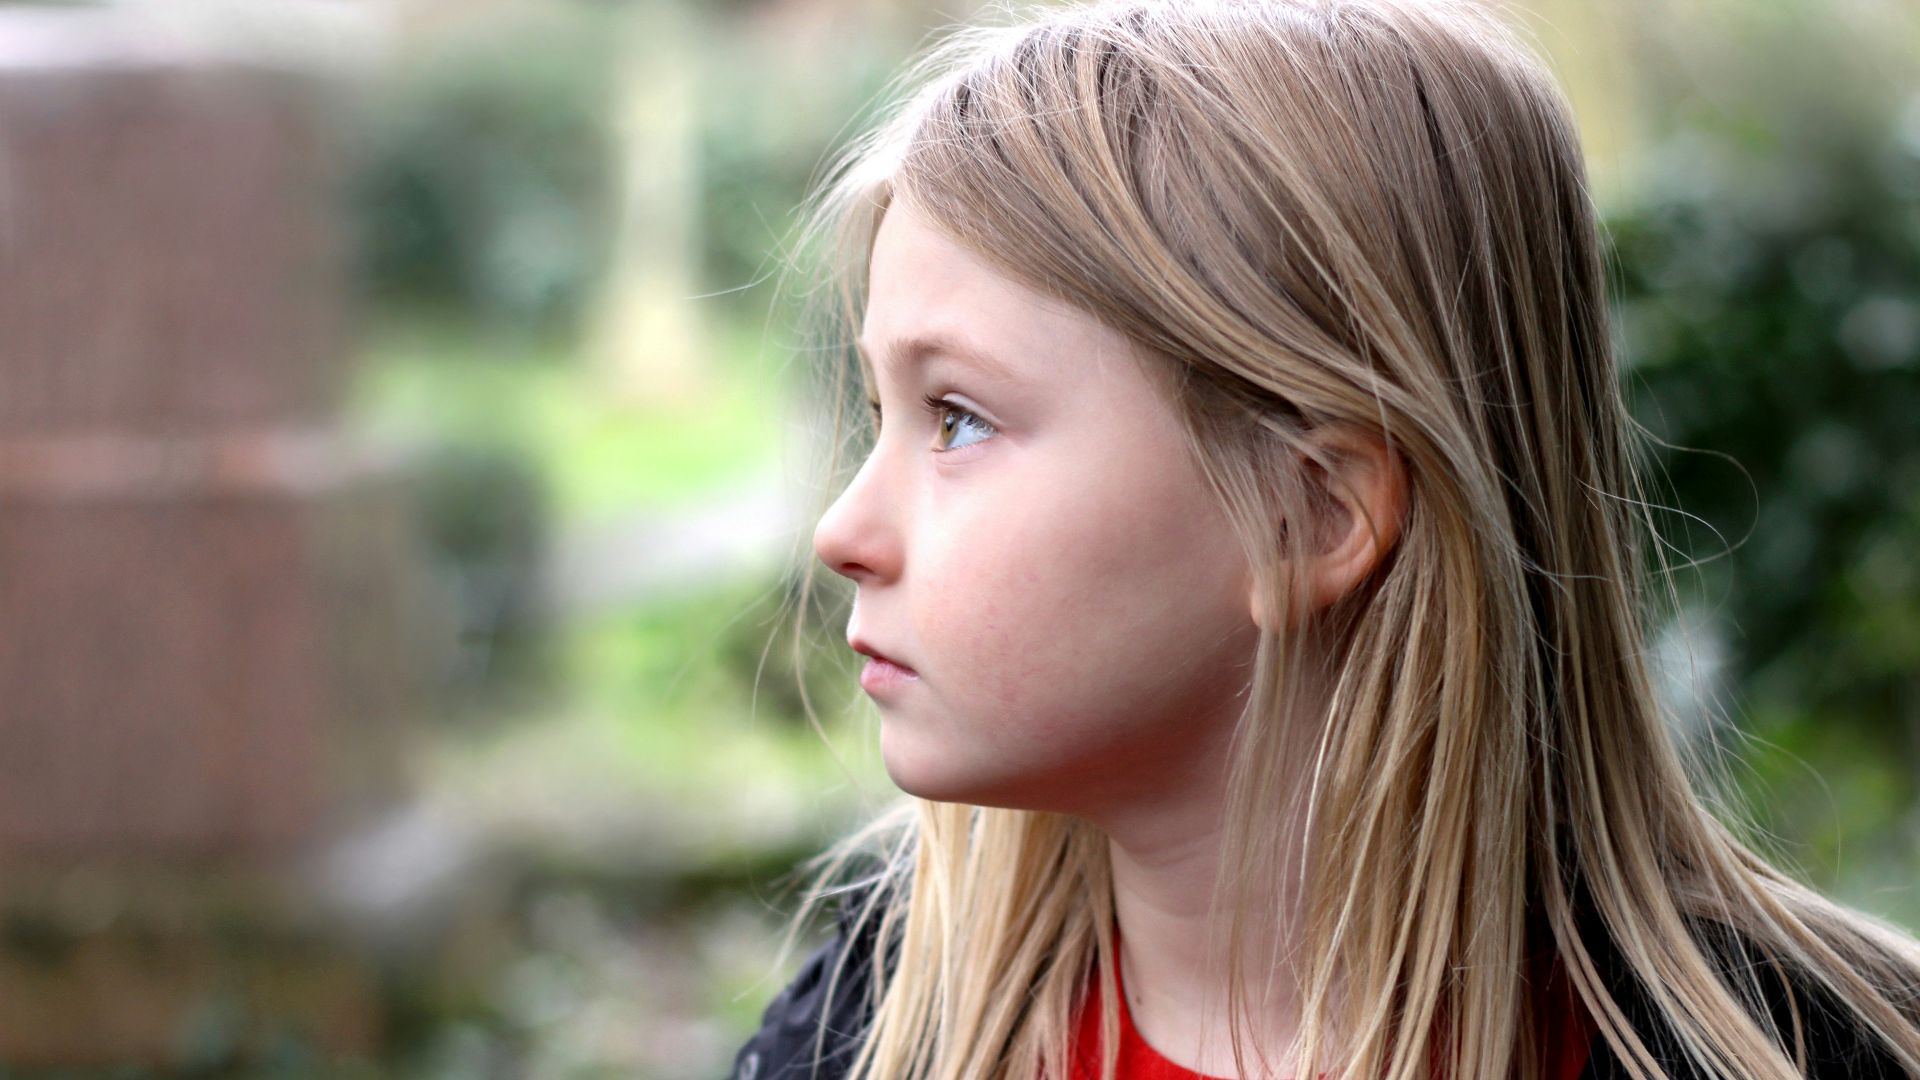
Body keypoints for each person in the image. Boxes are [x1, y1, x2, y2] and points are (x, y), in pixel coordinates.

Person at [727, 1, 1920, 1077]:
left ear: (1313, 514)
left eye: (961, 419)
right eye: (881, 412)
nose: (843, 530)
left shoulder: (1819, 1052)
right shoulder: (874, 1025)